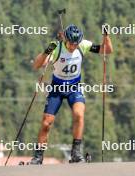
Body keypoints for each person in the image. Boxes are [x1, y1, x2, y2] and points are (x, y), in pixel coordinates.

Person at [30, 24, 113, 164]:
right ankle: (38, 156)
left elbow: (107, 50)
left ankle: (76, 153)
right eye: (71, 43)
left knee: (79, 114)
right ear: (65, 39)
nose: (73, 46)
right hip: (57, 89)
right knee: (46, 123)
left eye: (76, 44)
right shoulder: (56, 47)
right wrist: (46, 52)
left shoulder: (83, 45)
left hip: (74, 88)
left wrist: (106, 36)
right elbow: (37, 65)